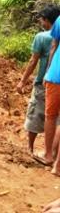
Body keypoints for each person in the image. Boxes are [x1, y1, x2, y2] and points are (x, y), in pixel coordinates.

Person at [17, 5, 60, 155]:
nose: (41, 23)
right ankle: (53, 153)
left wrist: (23, 80)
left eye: (42, 20)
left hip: (45, 81)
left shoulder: (41, 37)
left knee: (36, 114)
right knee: (57, 120)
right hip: (56, 81)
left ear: (47, 21)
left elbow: (33, 61)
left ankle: (30, 148)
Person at [38, 11, 60, 173]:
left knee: (51, 116)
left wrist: (47, 72)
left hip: (56, 75)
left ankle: (48, 155)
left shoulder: (59, 20)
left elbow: (54, 46)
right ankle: (58, 165)